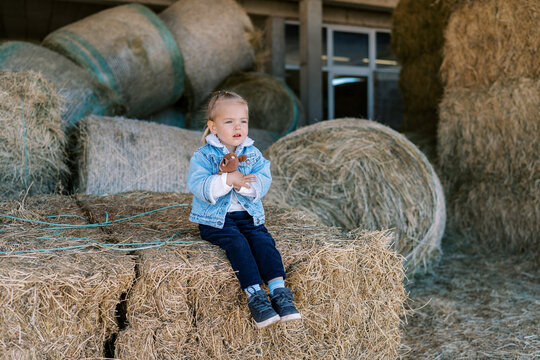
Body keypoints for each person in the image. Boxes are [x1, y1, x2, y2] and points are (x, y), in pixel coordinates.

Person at [187, 90, 301, 329]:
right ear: (214, 127)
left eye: (243, 121)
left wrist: (247, 186)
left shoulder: (253, 153)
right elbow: (198, 186)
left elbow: (263, 179)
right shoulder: (203, 156)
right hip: (217, 220)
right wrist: (228, 180)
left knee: (263, 241)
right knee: (238, 243)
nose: (237, 126)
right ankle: (255, 296)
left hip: (248, 216)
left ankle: (279, 290)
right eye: (229, 121)